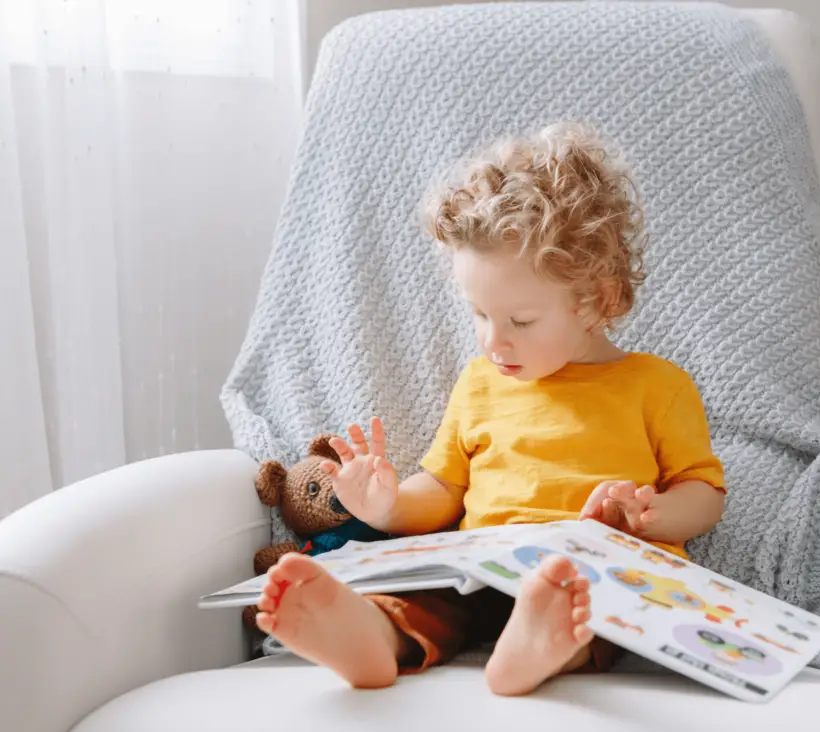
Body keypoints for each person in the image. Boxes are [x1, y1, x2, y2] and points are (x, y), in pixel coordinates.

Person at [255, 123, 726, 696]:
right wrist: (384, 506)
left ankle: (542, 644)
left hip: (597, 565)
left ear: (596, 301)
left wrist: (648, 516)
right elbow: (443, 491)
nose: (492, 342)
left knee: (583, 603)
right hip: (480, 565)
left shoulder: (657, 385)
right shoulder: (480, 383)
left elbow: (703, 496)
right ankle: (371, 635)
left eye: (520, 322)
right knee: (427, 597)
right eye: (478, 314)